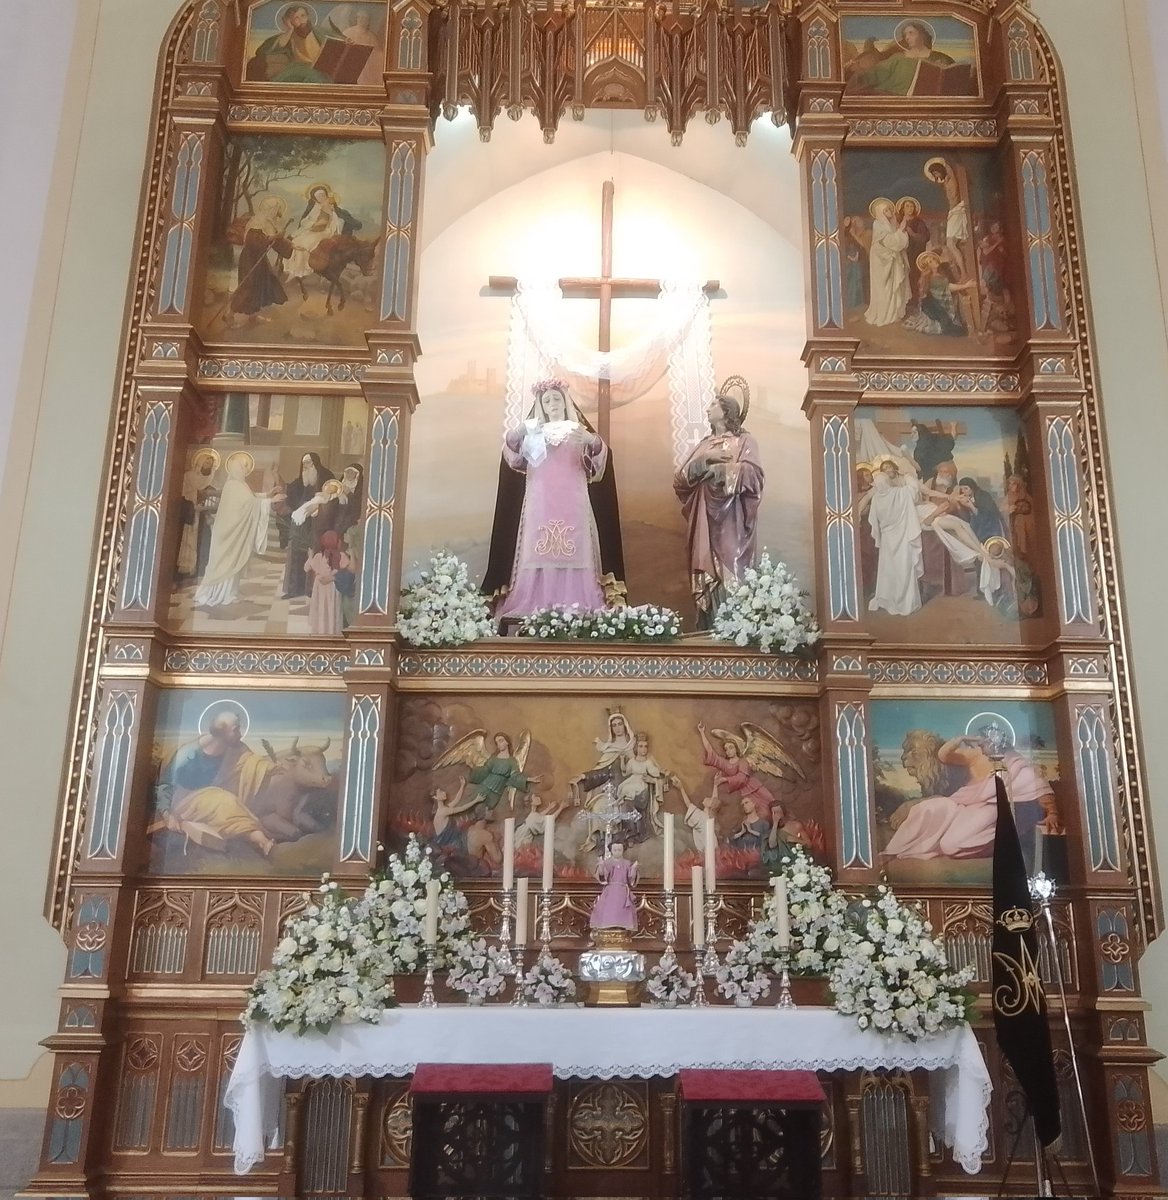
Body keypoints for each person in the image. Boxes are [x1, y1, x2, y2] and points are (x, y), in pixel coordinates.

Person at [485, 380, 616, 618]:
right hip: (541, 499)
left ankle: (578, 599)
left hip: (572, 498)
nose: (552, 404)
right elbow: (514, 458)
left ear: (565, 402)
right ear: (541, 406)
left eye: (556, 399)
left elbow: (598, 462)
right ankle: (536, 599)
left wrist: (591, 441)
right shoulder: (533, 431)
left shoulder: (577, 431)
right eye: (547, 401)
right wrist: (517, 432)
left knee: (575, 545)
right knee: (538, 546)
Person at [674, 378, 765, 629]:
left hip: (732, 519)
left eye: (713, 404)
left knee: (732, 570)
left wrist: (722, 471)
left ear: (726, 410)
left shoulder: (745, 442)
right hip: (703, 517)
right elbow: (680, 481)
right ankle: (708, 624)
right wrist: (705, 461)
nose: (707, 409)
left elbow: (755, 477)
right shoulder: (703, 445)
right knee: (705, 572)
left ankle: (734, 626)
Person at [883, 731, 1053, 861]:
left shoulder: (1015, 763)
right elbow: (944, 755)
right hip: (965, 801)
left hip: (990, 807)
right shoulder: (977, 755)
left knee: (950, 845)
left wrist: (1052, 812)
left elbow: (1038, 787)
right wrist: (960, 739)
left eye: (985, 743)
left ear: (997, 744)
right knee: (930, 808)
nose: (980, 745)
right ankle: (896, 850)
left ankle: (1002, 843)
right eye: (981, 742)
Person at [155, 710, 275, 856]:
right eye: (235, 730)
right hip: (187, 803)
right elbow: (165, 785)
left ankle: (258, 838)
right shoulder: (187, 754)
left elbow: (253, 763)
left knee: (224, 802)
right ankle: (260, 839)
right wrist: (168, 815)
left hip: (215, 800)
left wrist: (270, 768)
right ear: (221, 733)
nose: (240, 734)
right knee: (223, 800)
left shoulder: (236, 748)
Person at [193, 452, 274, 608]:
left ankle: (230, 592)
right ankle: (220, 593)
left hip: (232, 534)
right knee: (226, 564)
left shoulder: (239, 485)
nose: (245, 470)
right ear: (236, 469)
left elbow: (250, 498)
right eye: (243, 467)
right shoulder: (234, 486)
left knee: (231, 564)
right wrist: (269, 501)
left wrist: (267, 496)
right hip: (228, 535)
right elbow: (250, 503)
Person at [845, 19, 976, 98]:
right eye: (905, 35)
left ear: (922, 35)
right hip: (900, 104)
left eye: (911, 33)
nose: (907, 37)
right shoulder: (898, 58)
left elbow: (956, 80)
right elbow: (874, 74)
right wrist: (854, 70)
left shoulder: (942, 58)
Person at [276, 452, 335, 599]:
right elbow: (291, 496)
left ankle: (311, 589)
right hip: (301, 525)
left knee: (314, 555)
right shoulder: (300, 481)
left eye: (309, 463)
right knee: (296, 554)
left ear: (315, 463)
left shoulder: (327, 477)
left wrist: (317, 509)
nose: (307, 466)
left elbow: (332, 501)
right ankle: (294, 589)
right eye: (305, 464)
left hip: (318, 525)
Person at [229, 197, 292, 327]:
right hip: (250, 258)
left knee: (260, 286)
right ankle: (229, 315)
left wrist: (290, 244)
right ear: (271, 209)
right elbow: (254, 243)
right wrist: (276, 236)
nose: (278, 213)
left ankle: (253, 316)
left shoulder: (267, 223)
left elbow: (274, 243)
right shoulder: (258, 222)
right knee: (248, 286)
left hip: (259, 258)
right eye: (277, 210)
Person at [286, 184, 362, 285]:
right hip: (315, 230)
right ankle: (296, 269)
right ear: (316, 199)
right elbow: (307, 221)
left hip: (328, 231)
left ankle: (305, 268)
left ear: (326, 195)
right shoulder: (315, 208)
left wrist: (330, 215)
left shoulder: (333, 207)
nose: (321, 198)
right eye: (318, 197)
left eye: (322, 195)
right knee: (297, 241)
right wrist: (312, 224)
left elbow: (335, 221)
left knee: (307, 243)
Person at [246, 5, 330, 84]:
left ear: (308, 17)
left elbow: (336, 40)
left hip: (323, 68)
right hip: (297, 69)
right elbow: (264, 50)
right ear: (290, 21)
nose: (301, 20)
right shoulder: (288, 37)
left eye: (303, 15)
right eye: (296, 18)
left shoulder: (320, 33)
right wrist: (290, 30)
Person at [903, 252, 975, 337]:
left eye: (933, 259)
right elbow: (949, 287)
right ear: (928, 266)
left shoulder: (940, 272)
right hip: (937, 305)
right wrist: (966, 286)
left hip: (940, 301)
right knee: (950, 327)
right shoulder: (932, 278)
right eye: (930, 262)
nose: (934, 261)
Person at [864, 199, 910, 327]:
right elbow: (889, 242)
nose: (890, 211)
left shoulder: (891, 224)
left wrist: (899, 231)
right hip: (882, 262)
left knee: (892, 288)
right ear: (880, 213)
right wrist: (901, 230)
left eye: (889, 209)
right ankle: (886, 314)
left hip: (890, 260)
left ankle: (894, 313)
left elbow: (897, 243)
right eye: (886, 210)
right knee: (884, 288)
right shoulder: (878, 224)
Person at [926, 158, 971, 282]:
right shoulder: (946, 183)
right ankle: (961, 273)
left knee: (951, 244)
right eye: (934, 175)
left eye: (936, 173)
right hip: (953, 213)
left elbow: (949, 171)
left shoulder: (950, 180)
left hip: (956, 212)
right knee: (951, 245)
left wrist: (945, 163)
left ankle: (964, 273)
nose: (936, 176)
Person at [177, 448, 218, 582]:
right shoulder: (189, 476)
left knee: (202, 540)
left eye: (211, 464)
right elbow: (184, 494)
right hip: (189, 514)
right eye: (207, 463)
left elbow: (207, 493)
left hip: (200, 515)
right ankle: (185, 569)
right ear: (199, 463)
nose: (209, 466)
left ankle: (197, 568)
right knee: (186, 540)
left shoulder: (209, 480)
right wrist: (194, 504)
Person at [589, 842, 639, 932]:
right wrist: (601, 865)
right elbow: (603, 875)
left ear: (623, 850)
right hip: (610, 891)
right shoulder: (607, 863)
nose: (617, 852)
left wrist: (634, 868)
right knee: (608, 910)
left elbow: (631, 878)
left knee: (623, 911)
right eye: (615, 850)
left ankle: (621, 927)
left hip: (622, 891)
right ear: (611, 850)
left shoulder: (627, 863)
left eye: (619, 850)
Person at [304, 530, 345, 636]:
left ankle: (320, 632)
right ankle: (332, 632)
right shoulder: (341, 556)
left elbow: (306, 568)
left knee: (321, 609)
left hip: (320, 588)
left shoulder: (318, 556)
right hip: (333, 588)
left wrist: (310, 556)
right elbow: (346, 567)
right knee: (332, 609)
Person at [896, 197, 932, 310]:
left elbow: (925, 237)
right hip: (901, 253)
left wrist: (912, 234)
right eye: (907, 206)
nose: (910, 208)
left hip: (915, 253)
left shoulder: (919, 222)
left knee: (915, 275)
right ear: (903, 208)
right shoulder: (898, 221)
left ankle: (916, 300)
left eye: (912, 206)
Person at [340, 8, 383, 86]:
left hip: (367, 69)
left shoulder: (372, 37)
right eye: (361, 18)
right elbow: (340, 50)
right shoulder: (348, 32)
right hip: (351, 66)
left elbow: (378, 55)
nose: (364, 20)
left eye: (366, 19)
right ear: (357, 19)